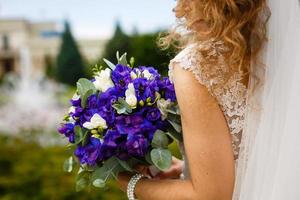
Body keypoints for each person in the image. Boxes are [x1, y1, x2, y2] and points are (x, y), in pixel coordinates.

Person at [117, 0, 269, 199]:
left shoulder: (196, 66)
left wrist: (132, 184)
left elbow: (211, 195)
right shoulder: (275, 50)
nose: (178, 11)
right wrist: (189, 167)